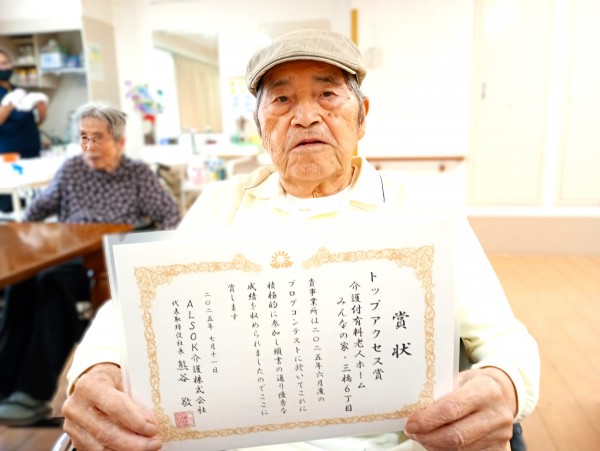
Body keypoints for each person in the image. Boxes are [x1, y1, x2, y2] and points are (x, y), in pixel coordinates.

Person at [62, 30, 540, 450]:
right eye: (282, 100)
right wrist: (96, 370)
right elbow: (132, 310)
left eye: (328, 94)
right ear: (260, 127)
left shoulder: (422, 209)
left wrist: (503, 385)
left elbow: (504, 339)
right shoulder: (221, 205)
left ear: (362, 116)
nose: (306, 117)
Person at [0, 103, 181, 426]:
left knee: (52, 284)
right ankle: (5, 384)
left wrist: (151, 260)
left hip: (109, 262)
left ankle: (32, 393)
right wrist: (26, 237)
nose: (89, 145)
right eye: (84, 137)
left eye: (98, 137)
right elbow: (37, 210)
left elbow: (170, 216)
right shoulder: (71, 169)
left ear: (119, 142)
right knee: (22, 282)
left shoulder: (137, 174)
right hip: (69, 253)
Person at [0, 47, 49, 212]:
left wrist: (42, 109)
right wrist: (9, 104)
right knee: (13, 208)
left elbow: (37, 121)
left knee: (33, 205)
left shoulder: (19, 91)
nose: (3, 67)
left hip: (31, 153)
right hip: (8, 158)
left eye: (5, 63)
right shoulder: (11, 97)